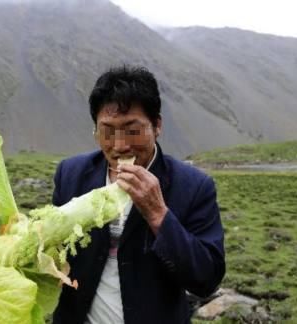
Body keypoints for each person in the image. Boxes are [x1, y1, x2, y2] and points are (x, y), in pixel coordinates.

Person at [52, 66, 225, 324]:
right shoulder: (71, 174)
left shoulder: (194, 186)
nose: (120, 145)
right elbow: (55, 251)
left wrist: (158, 214)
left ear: (157, 126)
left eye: (132, 130)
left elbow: (206, 279)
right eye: (107, 131)